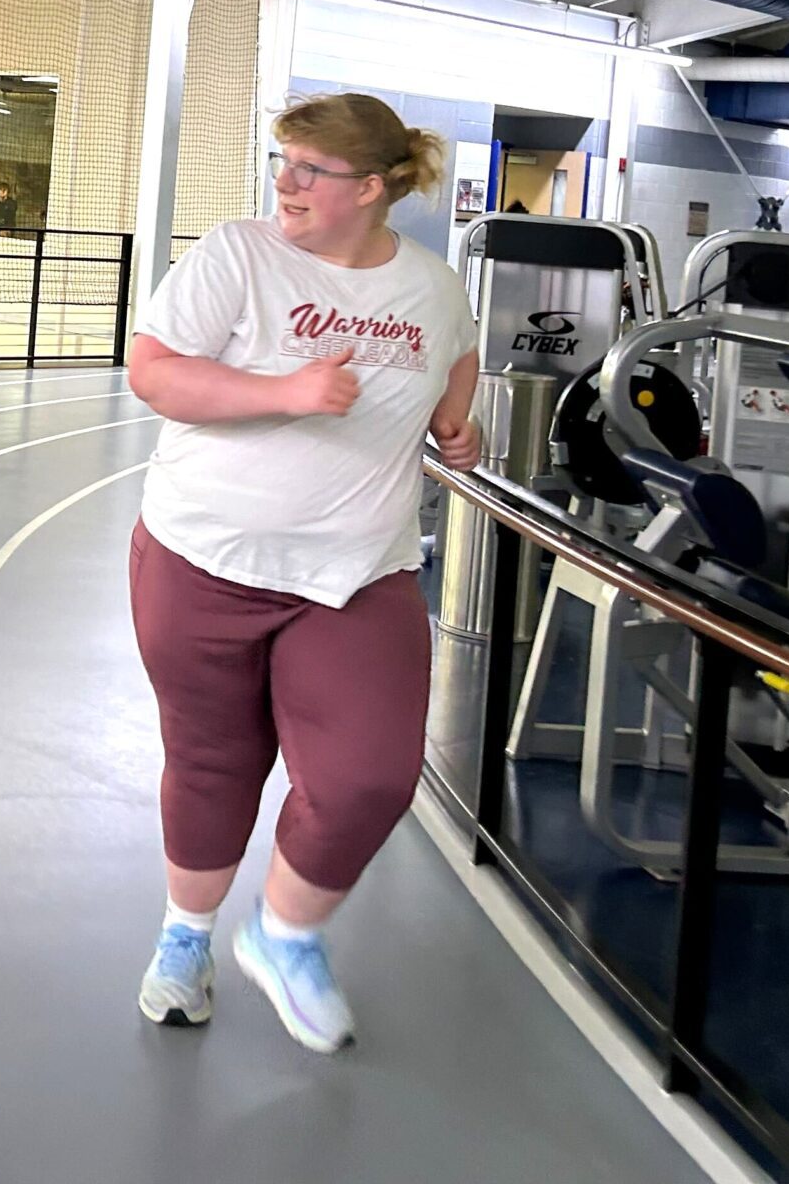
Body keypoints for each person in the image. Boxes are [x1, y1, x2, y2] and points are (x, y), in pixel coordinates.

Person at [124, 92, 481, 1052]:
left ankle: (285, 934)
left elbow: (457, 363)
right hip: (202, 556)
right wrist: (283, 392)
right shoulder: (237, 255)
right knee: (212, 761)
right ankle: (184, 938)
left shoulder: (434, 290)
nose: (284, 181)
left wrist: (457, 420)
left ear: (370, 188)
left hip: (357, 573)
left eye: (308, 169)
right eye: (281, 160)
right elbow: (154, 372)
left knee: (369, 776)